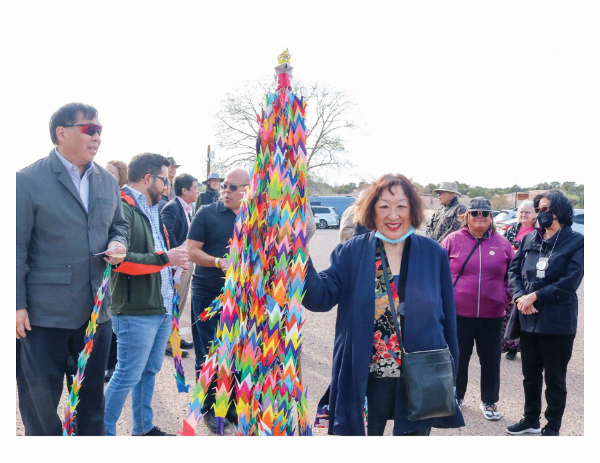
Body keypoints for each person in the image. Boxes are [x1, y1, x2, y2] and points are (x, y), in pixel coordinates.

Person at [303, 173, 464, 436]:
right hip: (368, 374)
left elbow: (448, 318)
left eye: (401, 206)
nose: (393, 215)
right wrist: (299, 254)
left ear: (412, 210)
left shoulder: (433, 254)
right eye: (384, 206)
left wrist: (451, 372)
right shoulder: (352, 252)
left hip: (419, 373)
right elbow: (319, 298)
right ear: (372, 211)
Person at [16, 102, 127, 435]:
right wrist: (15, 304)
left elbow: (118, 226)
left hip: (96, 313)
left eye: (100, 131)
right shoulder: (26, 180)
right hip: (43, 317)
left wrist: (120, 245)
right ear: (61, 133)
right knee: (41, 407)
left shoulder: (107, 182)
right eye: (89, 129)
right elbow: (14, 248)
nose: (97, 138)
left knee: (92, 404)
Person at [103, 153, 189, 436]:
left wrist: (174, 262)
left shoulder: (154, 207)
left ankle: (143, 428)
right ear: (148, 178)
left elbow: (158, 254)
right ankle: (99, 434)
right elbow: (119, 260)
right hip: (135, 309)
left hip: (161, 306)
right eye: (165, 179)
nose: (168, 186)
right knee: (126, 375)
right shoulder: (122, 207)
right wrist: (167, 258)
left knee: (148, 372)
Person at [506, 190, 584, 436]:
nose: (541, 214)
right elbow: (513, 272)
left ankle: (552, 426)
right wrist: (520, 297)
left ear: (560, 211)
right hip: (528, 318)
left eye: (546, 209)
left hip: (557, 322)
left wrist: (536, 296)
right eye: (539, 209)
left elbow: (570, 281)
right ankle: (530, 420)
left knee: (555, 379)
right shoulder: (530, 239)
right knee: (530, 375)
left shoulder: (576, 242)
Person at [187, 168, 249, 433]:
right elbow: (191, 250)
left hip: (242, 297)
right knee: (209, 350)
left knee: (235, 349)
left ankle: (230, 402)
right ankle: (211, 407)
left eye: (233, 187)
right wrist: (218, 262)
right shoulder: (207, 213)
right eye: (225, 186)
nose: (226, 191)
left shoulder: (255, 217)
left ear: (248, 189)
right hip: (208, 292)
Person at [441, 197, 514, 420]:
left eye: (485, 213)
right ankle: (456, 396)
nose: (480, 217)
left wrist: (506, 296)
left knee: (490, 359)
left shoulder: (502, 243)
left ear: (491, 217)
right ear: (467, 216)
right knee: (458, 357)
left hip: (492, 313)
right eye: (475, 213)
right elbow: (438, 272)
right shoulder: (452, 240)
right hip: (459, 313)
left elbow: (514, 273)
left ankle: (489, 401)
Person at [161, 173, 199, 356]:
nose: (198, 191)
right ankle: (168, 344)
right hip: (176, 265)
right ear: (184, 190)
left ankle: (174, 336)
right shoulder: (172, 208)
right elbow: (167, 234)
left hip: (185, 262)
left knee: (181, 302)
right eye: (195, 187)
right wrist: (179, 258)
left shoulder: (187, 208)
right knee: (174, 303)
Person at [104, 160, 129, 382]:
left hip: (116, 269)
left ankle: (111, 363)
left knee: (111, 320)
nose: (105, 175)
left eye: (111, 173)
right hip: (101, 269)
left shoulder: (124, 202)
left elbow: (120, 228)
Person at [502, 200, 537, 360]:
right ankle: (511, 346)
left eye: (527, 212)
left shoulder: (539, 232)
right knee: (510, 312)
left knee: (527, 310)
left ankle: (528, 347)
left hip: (530, 276)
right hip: (512, 273)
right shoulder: (511, 230)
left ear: (535, 214)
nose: (523, 215)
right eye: (521, 212)